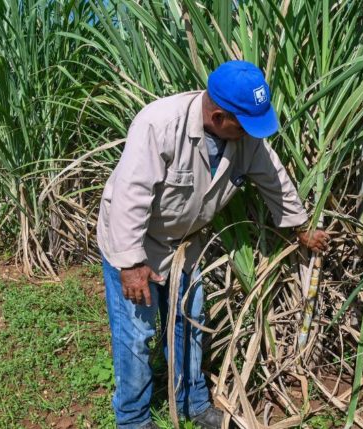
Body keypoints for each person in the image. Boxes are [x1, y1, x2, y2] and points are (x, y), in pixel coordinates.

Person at [97, 60, 330, 429]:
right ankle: (133, 419)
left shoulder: (245, 138)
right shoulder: (159, 124)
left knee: (190, 322)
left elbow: (275, 179)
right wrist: (130, 263)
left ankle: (193, 403)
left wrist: (300, 227)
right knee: (137, 333)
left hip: (186, 244)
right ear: (219, 116)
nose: (252, 134)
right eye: (244, 125)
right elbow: (131, 194)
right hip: (136, 240)